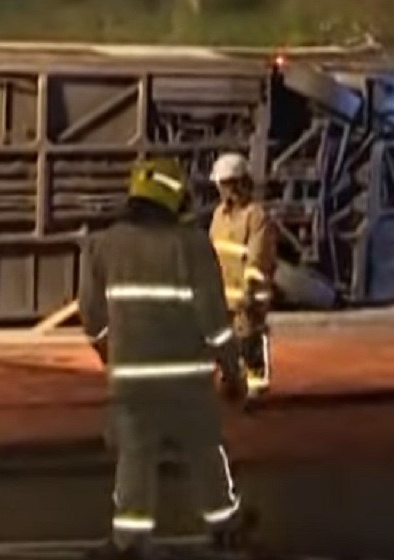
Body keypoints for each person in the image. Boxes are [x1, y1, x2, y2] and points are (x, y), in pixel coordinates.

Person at [79, 157, 253, 559]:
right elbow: (214, 321)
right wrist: (232, 371)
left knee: (134, 459)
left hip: (132, 383)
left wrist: (108, 351)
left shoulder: (104, 245)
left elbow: (92, 315)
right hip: (188, 382)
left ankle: (129, 540)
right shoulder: (191, 245)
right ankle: (225, 526)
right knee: (207, 453)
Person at [209, 152, 277, 400]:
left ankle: (256, 384)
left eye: (225, 184)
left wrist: (250, 290)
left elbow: (258, 257)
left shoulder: (255, 216)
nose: (222, 191)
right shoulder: (219, 215)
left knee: (249, 338)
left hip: (249, 293)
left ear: (238, 183)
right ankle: (230, 378)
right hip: (223, 291)